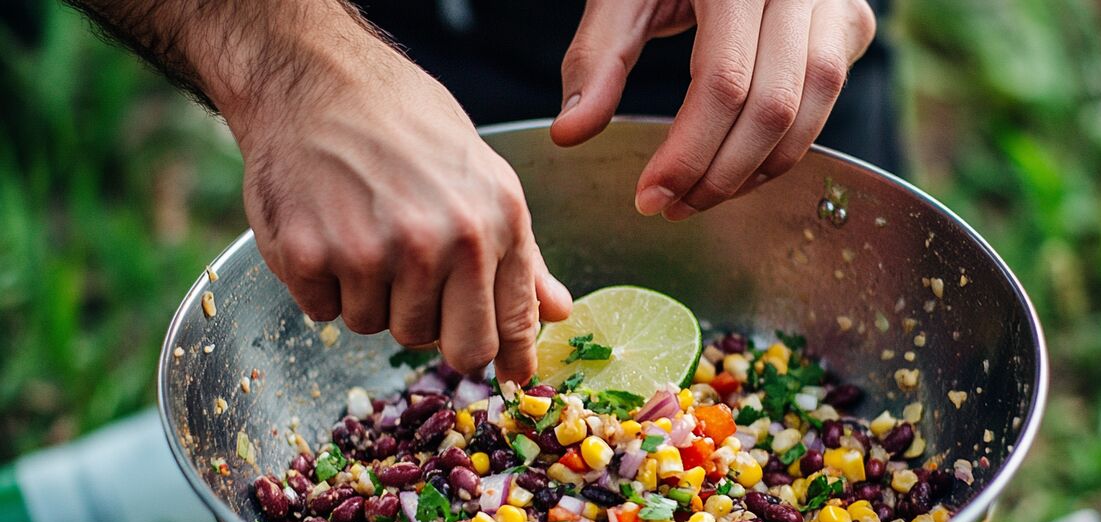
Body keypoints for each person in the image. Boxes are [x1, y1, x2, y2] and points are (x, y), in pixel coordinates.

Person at [66, 0, 879, 385]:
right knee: (404, 333)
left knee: (835, 332)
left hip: (742, 45)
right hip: (375, 26)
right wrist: (286, 59)